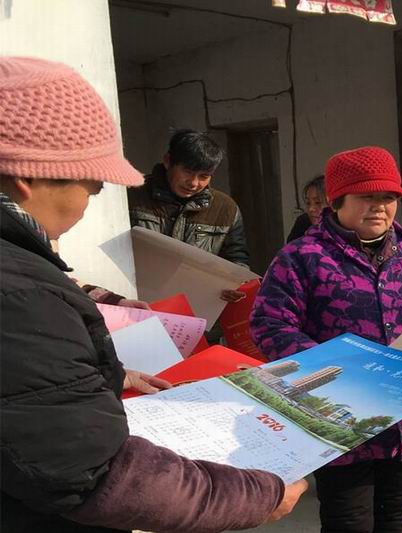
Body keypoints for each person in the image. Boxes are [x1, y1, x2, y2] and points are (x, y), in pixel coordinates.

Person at [0, 56, 307, 533]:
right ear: (28, 177)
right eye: (91, 188)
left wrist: (103, 372)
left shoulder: (24, 276)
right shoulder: (23, 296)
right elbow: (94, 474)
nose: (87, 205)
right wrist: (256, 494)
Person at [251, 146, 402, 533]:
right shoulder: (302, 257)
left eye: (388, 197)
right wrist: (336, 370)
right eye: (366, 196)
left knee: (394, 517)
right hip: (340, 414)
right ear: (336, 199)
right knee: (348, 521)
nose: (379, 207)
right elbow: (270, 323)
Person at [128, 128, 248, 303]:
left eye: (204, 176)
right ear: (168, 161)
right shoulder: (131, 196)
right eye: (188, 172)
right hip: (137, 301)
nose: (193, 183)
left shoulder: (224, 208)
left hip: (197, 305)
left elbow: (237, 259)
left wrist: (236, 285)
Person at [286, 174, 327, 242]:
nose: (311, 209)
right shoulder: (303, 223)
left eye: (318, 203)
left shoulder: (343, 230)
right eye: (308, 203)